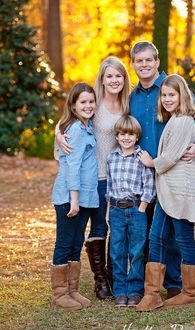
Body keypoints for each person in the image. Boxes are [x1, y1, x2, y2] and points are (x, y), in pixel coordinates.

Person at [129, 41, 195, 299]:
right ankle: (147, 284)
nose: (143, 65)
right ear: (133, 64)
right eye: (138, 61)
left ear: (157, 61)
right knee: (152, 228)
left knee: (175, 228)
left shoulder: (172, 87)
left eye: (148, 60)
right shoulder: (132, 96)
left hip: (171, 169)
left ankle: (175, 283)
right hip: (143, 172)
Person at [56, 57, 130, 300]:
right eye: (109, 76)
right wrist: (58, 134)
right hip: (95, 178)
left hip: (120, 177)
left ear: (124, 78)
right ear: (102, 78)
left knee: (115, 228)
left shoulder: (129, 104)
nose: (114, 80)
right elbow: (69, 119)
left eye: (118, 75)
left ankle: (112, 276)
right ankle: (100, 282)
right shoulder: (94, 103)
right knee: (97, 227)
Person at [136, 74, 195, 312]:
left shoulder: (185, 120)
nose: (166, 99)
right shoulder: (173, 119)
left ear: (181, 95)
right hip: (167, 190)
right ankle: (152, 293)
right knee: (157, 237)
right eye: (163, 95)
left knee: (184, 238)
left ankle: (191, 292)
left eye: (171, 94)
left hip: (181, 189)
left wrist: (150, 162)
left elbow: (171, 157)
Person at [51, 83, 97, 310]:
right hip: (70, 197)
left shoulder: (87, 126)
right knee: (65, 242)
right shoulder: (76, 130)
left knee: (76, 242)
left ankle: (73, 290)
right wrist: (75, 199)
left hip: (86, 196)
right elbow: (72, 165)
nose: (88, 106)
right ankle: (60, 294)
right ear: (73, 105)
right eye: (83, 102)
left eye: (91, 101)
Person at [106, 115, 156, 307]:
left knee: (136, 252)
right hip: (117, 210)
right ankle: (120, 291)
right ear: (117, 137)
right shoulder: (112, 158)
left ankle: (135, 291)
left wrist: (142, 208)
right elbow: (109, 186)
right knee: (117, 251)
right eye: (122, 134)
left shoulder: (142, 157)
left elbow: (149, 185)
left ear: (137, 137)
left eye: (130, 134)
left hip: (137, 209)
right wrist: (110, 209)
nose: (126, 138)